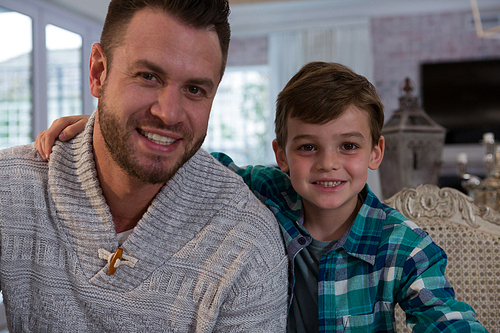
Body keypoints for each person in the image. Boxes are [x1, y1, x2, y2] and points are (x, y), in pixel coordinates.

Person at [37, 62, 487, 332]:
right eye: (308, 146)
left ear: (375, 152)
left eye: (348, 146)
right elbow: (188, 162)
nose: (328, 164)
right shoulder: (265, 192)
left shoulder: (405, 246)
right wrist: (113, 129)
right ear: (282, 155)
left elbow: (447, 319)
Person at [0, 0, 289, 331]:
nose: (169, 113)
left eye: (194, 89)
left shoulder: (247, 245)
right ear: (98, 72)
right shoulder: (9, 190)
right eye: (148, 76)